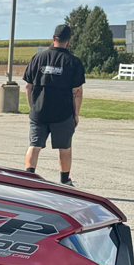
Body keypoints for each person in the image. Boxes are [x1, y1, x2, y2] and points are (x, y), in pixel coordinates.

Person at [21, 24, 86, 185]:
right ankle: (65, 180)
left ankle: (28, 178)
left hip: (39, 111)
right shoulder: (73, 62)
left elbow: (28, 86)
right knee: (64, 148)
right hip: (62, 113)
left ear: (53, 39)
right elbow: (76, 91)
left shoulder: (38, 58)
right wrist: (76, 114)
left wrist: (32, 107)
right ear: (68, 41)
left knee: (34, 146)